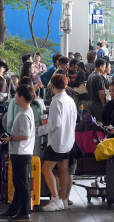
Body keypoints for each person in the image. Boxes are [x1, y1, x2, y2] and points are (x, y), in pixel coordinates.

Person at [37, 74, 77, 212]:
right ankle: (63, 200)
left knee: (46, 169)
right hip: (68, 140)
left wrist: (38, 130)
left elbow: (53, 124)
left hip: (56, 142)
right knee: (64, 170)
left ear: (52, 85)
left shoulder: (56, 101)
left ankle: (55, 199)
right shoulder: (70, 100)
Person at [0, 85, 36, 221]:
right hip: (21, 152)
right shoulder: (26, 111)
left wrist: (10, 138)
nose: (14, 97)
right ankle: (14, 209)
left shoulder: (24, 114)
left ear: (22, 97)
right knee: (18, 182)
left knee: (22, 183)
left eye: (16, 95)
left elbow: (25, 135)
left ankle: (24, 212)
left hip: (21, 152)